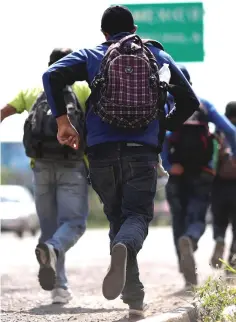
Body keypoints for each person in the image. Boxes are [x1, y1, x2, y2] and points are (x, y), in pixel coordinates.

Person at [42, 6, 199, 317]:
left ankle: (134, 297)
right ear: (135, 28)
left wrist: (63, 121)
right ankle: (127, 258)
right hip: (141, 153)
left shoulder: (92, 55)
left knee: (119, 219)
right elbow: (189, 100)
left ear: (104, 33)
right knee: (137, 217)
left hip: (100, 153)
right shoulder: (156, 56)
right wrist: (162, 123)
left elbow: (51, 75)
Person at [0, 48, 91, 304]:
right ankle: (53, 257)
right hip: (73, 165)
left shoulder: (32, 91)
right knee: (74, 223)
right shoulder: (82, 90)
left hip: (39, 166)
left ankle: (59, 288)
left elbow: (3, 112)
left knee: (49, 228)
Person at [161, 65, 236, 287]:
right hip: (202, 172)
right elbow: (230, 131)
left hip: (176, 173)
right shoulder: (203, 104)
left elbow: (160, 134)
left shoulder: (166, 104)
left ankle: (187, 275)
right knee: (197, 215)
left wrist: (167, 163)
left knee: (178, 219)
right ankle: (191, 239)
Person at [210, 101, 236, 273]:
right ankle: (232, 260)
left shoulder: (219, 132)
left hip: (218, 184)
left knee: (219, 221)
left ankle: (219, 239)